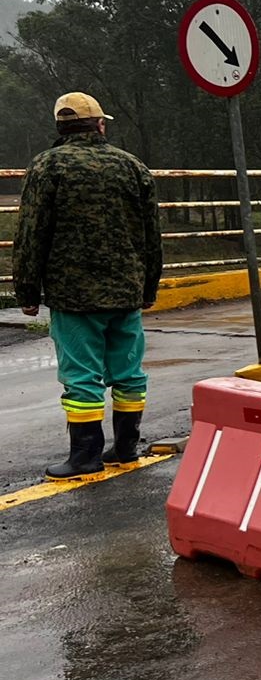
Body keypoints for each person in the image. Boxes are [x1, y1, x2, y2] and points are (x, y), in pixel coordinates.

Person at [14, 92, 162, 478]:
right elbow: (151, 235)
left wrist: (27, 291)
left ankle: (84, 456)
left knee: (81, 376)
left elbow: (32, 233)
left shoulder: (47, 166)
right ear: (100, 124)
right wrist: (148, 288)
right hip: (126, 292)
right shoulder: (131, 166)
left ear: (60, 127)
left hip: (73, 295)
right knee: (129, 372)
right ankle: (127, 447)